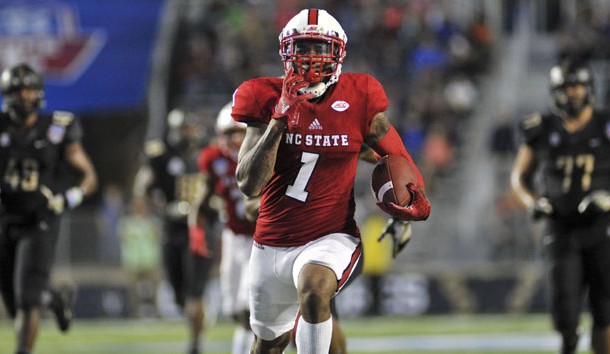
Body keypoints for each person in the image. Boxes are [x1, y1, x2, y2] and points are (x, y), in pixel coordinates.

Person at [232, 9, 431, 354]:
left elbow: (393, 157)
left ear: (337, 53)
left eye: (319, 48)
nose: (310, 58)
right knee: (268, 344)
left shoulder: (360, 97)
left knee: (314, 288)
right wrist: (280, 117)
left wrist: (410, 202)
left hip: (330, 236)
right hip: (272, 242)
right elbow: (249, 183)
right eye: (303, 47)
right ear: (285, 52)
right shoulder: (262, 97)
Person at [511, 57, 610, 354]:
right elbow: (519, 176)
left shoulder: (605, 125)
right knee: (565, 315)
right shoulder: (541, 128)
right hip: (561, 228)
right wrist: (533, 202)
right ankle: (569, 342)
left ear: (589, 88)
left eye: (577, 86)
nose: (572, 93)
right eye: (565, 87)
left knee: (605, 313)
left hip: (602, 228)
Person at [0, 63, 98, 354]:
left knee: (26, 299)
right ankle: (54, 298)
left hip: (39, 219)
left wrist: (68, 198)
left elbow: (89, 177)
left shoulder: (57, 126)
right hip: (5, 218)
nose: (24, 97)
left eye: (29, 90)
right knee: (15, 299)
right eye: (18, 91)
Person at [132, 108, 212, 354]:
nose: (189, 134)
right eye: (184, 129)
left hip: (200, 230)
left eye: (191, 129)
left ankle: (196, 342)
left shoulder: (208, 153)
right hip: (172, 229)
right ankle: (191, 316)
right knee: (178, 291)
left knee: (194, 292)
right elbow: (142, 186)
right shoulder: (161, 154)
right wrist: (160, 208)